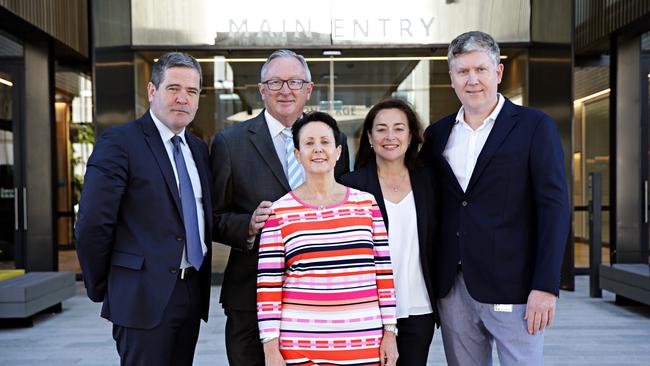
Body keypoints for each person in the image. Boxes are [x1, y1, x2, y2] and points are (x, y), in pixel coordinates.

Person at [419, 31, 570, 365]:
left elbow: (554, 208)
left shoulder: (535, 126)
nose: (472, 80)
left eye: (480, 70)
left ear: (498, 72)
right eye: (463, 72)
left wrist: (546, 286)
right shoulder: (437, 134)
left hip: (515, 288)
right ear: (452, 78)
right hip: (454, 289)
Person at [210, 49, 350, 366]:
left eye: (294, 82)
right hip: (250, 296)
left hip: (320, 297)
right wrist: (247, 224)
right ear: (262, 90)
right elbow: (212, 218)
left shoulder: (331, 139)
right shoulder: (230, 143)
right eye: (275, 82)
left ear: (308, 89)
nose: (285, 90)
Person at [75, 52, 212, 365]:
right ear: (152, 91)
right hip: (141, 297)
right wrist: (105, 287)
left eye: (191, 92)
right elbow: (93, 224)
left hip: (190, 291)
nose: (183, 98)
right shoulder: (120, 142)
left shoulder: (197, 149)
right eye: (173, 88)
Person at [257, 111, 398, 366]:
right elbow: (268, 286)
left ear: (338, 151)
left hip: (364, 345)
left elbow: (384, 274)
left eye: (325, 142)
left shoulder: (367, 205)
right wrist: (270, 347)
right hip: (300, 349)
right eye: (309, 143)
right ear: (297, 155)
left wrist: (390, 332)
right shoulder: (278, 212)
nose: (318, 149)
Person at [339, 98, 437, 366]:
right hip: (367, 310)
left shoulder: (430, 181)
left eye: (398, 128)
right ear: (370, 136)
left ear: (410, 135)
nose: (390, 136)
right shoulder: (351, 187)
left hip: (419, 307)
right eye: (381, 129)